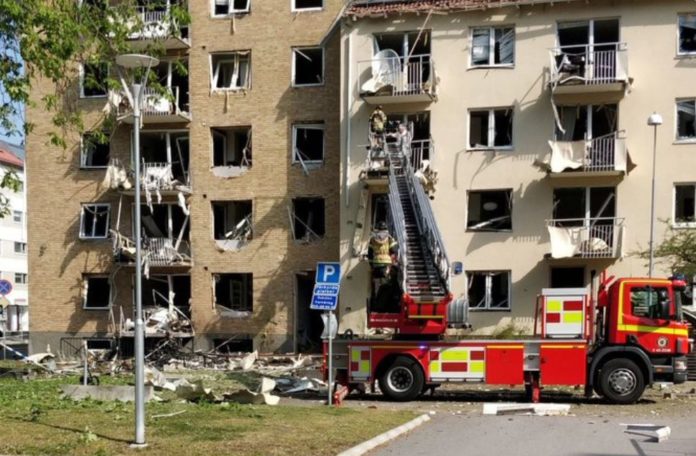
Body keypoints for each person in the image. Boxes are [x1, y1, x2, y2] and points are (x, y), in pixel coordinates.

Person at [367, 221, 399, 310]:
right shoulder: (389, 238)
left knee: (377, 283)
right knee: (387, 283)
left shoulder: (372, 239)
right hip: (386, 264)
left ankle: (375, 302)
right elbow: (394, 251)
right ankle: (383, 304)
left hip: (376, 264)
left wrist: (371, 265)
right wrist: (392, 264)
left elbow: (370, 253)